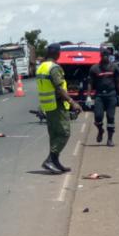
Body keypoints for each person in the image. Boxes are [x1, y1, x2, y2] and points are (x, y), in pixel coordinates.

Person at [36, 43, 82, 174]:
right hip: (57, 104)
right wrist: (72, 102)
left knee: (54, 134)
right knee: (64, 132)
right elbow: (59, 88)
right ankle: (50, 160)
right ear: (57, 53)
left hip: (47, 104)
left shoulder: (41, 67)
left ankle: (55, 161)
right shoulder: (54, 68)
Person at [89, 49, 119, 146]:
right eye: (103, 55)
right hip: (99, 95)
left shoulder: (114, 67)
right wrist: (88, 96)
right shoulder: (94, 68)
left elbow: (118, 82)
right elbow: (90, 83)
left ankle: (110, 139)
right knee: (98, 117)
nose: (105, 57)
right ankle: (100, 130)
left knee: (110, 117)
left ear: (109, 56)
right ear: (100, 56)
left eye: (106, 55)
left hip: (111, 95)